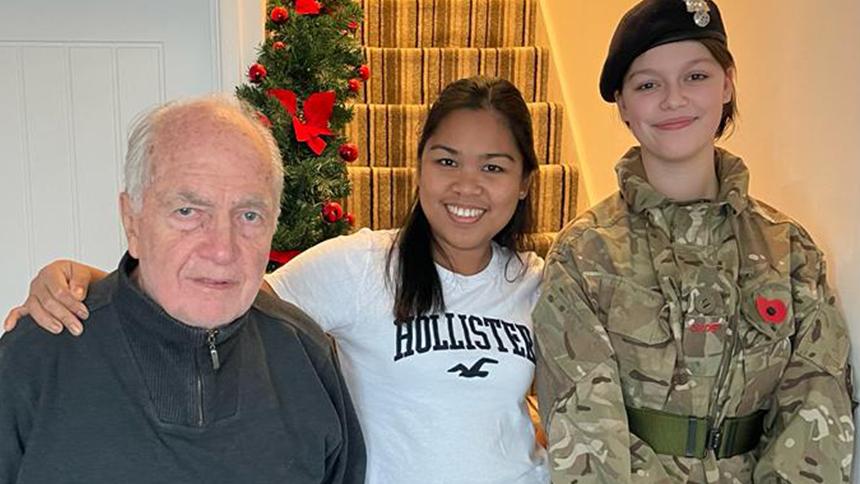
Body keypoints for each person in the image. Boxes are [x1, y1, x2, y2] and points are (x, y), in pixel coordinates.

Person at [4, 76, 550, 484]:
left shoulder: (542, 285)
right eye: (447, 161)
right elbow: (224, 297)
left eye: (495, 168)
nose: (467, 187)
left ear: (526, 182)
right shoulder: (358, 266)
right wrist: (100, 288)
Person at [533, 0, 855, 483]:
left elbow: (817, 406)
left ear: (727, 83)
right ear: (622, 103)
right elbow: (583, 431)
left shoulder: (788, 249)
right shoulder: (583, 256)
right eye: (647, 84)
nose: (674, 99)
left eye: (696, 76)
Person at [0, 96, 365, 483]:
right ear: (133, 221)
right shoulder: (36, 357)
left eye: (249, 215)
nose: (222, 249)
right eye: (188, 212)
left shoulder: (304, 354)